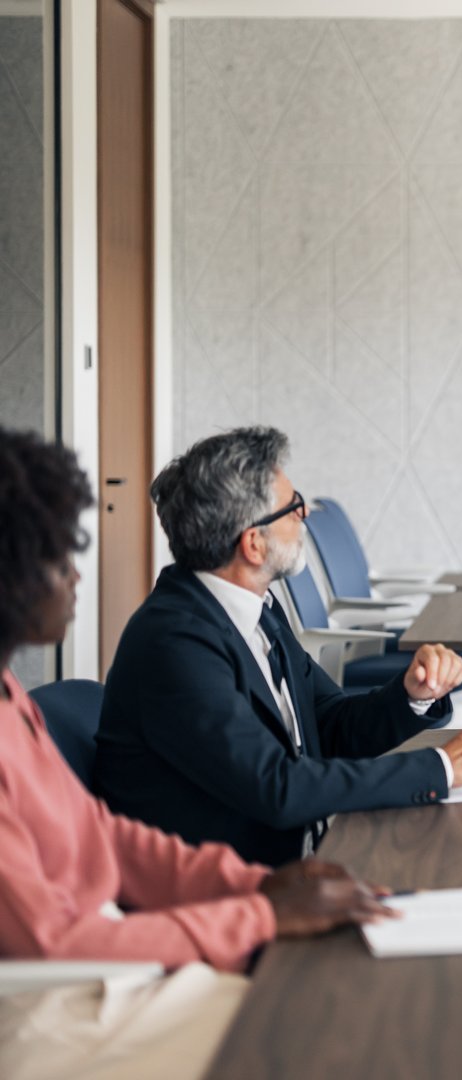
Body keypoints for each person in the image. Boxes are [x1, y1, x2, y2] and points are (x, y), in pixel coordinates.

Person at [0, 427, 394, 1080]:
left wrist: (255, 886)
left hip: (109, 972)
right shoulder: (173, 638)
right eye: (52, 553)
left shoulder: (10, 696)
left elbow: (105, 837)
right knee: (337, 1032)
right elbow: (49, 944)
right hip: (55, 1006)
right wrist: (260, 914)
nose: (75, 573)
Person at [95, 427, 462, 867]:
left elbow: (328, 726)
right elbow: (276, 787)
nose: (306, 512)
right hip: (232, 892)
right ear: (253, 544)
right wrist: (442, 768)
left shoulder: (257, 612)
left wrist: (412, 695)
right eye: (292, 507)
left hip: (300, 858)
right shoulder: (175, 644)